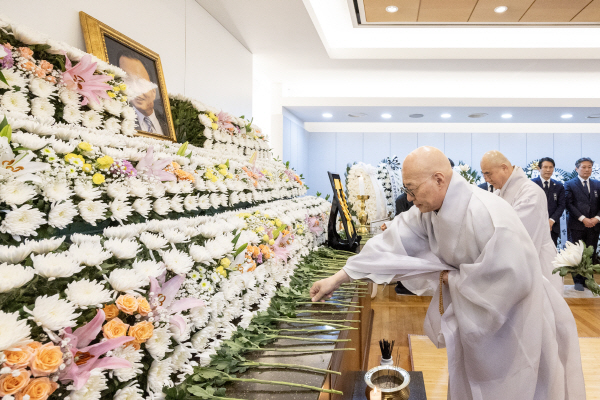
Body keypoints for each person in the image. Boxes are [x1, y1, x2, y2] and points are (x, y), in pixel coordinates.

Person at [310, 146, 585, 400]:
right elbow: (391, 241)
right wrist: (338, 277)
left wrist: (451, 278)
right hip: (476, 321)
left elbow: (511, 280)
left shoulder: (487, 214)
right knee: (467, 382)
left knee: (511, 387)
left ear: (439, 180)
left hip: (514, 323)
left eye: (412, 189)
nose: (409, 198)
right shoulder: (429, 209)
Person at [480, 151, 563, 293]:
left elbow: (517, 234)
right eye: (483, 174)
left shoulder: (530, 192)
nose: (486, 179)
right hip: (513, 261)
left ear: (504, 168)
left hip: (535, 262)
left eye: (488, 174)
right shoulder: (500, 192)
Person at [564, 157, 600, 291]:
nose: (587, 170)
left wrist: (597, 218)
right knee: (577, 254)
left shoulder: (597, 184)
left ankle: (589, 279)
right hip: (577, 225)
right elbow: (569, 204)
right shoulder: (569, 184)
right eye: (584, 167)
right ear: (577, 168)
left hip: (594, 225)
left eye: (589, 167)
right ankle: (578, 281)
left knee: (590, 253)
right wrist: (583, 218)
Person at [117, 52, 168, 136]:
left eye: (141, 82)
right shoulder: (120, 122)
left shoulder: (167, 122)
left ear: (153, 91)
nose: (135, 89)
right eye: (128, 81)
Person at [531, 157, 566, 246]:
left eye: (551, 167)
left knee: (552, 251)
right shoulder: (531, 184)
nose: (548, 170)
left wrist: (551, 220)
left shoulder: (559, 186)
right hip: (536, 225)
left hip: (552, 226)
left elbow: (561, 205)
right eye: (545, 167)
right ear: (539, 168)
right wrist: (541, 221)